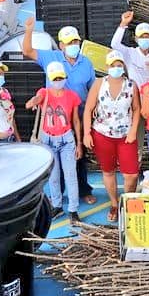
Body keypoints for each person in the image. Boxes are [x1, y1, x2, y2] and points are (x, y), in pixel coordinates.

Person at [23, 21, 99, 206]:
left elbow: (92, 87)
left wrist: (93, 106)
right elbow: (27, 51)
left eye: (76, 42)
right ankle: (60, 195)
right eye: (69, 42)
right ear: (61, 44)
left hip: (78, 116)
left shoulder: (85, 62)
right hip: (54, 119)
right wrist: (29, 30)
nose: (73, 46)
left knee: (78, 156)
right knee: (55, 161)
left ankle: (82, 189)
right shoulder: (51, 57)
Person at [83, 51, 141, 222]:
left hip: (126, 136)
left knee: (131, 174)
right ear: (107, 66)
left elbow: (136, 109)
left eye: (119, 65)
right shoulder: (99, 84)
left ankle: (128, 201)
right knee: (108, 171)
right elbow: (88, 109)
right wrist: (87, 133)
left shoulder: (131, 85)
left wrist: (133, 131)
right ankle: (115, 204)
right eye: (113, 65)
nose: (116, 68)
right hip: (102, 134)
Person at [26, 62, 83, 223]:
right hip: (47, 139)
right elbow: (35, 99)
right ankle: (57, 205)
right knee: (53, 176)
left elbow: (76, 121)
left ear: (65, 77)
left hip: (66, 139)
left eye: (60, 77)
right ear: (50, 79)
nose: (58, 80)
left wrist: (79, 143)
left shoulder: (72, 96)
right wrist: (34, 101)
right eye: (55, 78)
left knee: (71, 175)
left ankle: (73, 209)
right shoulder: (44, 92)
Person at [112, 12, 149, 88]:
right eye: (141, 37)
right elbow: (115, 44)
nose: (144, 39)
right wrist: (123, 23)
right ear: (136, 39)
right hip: (134, 94)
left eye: (147, 37)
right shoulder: (130, 53)